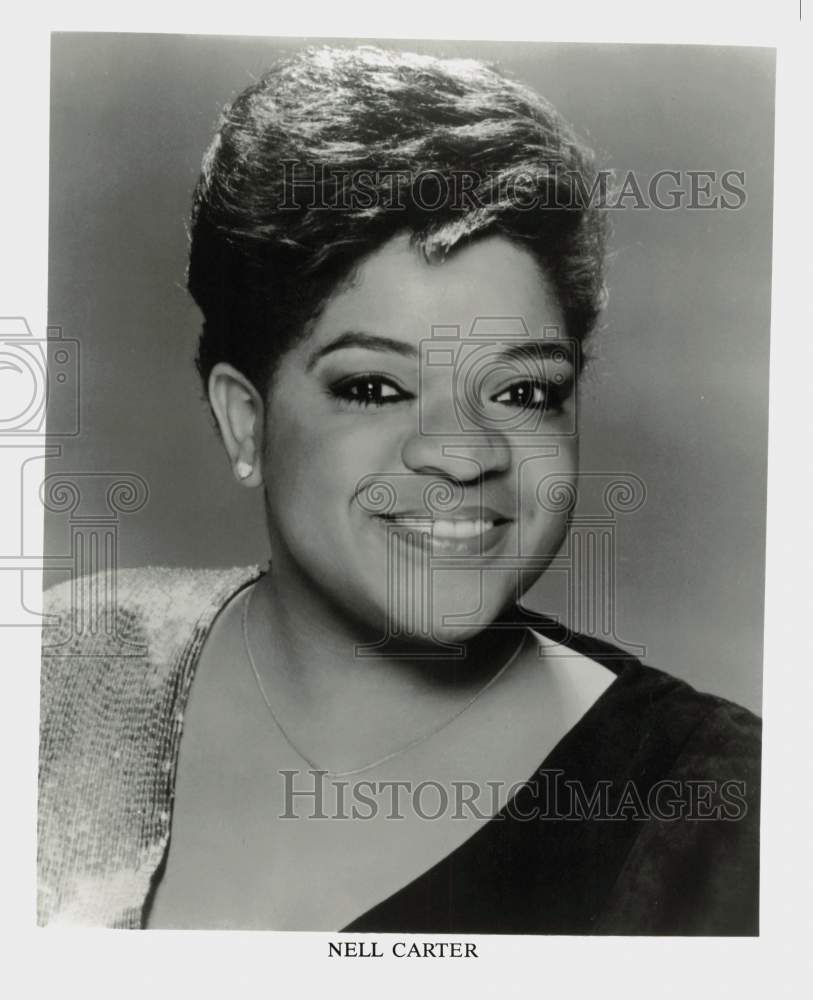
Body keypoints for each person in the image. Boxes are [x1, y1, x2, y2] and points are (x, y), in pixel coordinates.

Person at [37, 44, 760, 933]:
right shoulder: (64, 670)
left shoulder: (726, 819)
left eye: (522, 392)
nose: (462, 458)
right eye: (374, 388)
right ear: (244, 421)